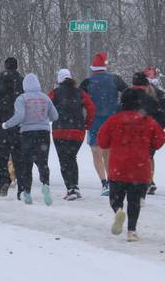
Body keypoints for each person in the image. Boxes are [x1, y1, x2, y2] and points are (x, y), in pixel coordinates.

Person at [98, 88, 165, 242]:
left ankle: (118, 210)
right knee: (134, 202)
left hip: (118, 168)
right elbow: (159, 140)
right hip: (140, 169)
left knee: (115, 198)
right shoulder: (148, 121)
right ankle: (131, 231)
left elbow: (102, 141)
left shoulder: (114, 120)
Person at [2, 73, 59, 205]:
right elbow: (55, 116)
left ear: (25, 85)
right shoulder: (45, 98)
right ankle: (45, 184)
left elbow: (20, 116)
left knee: (26, 164)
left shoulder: (22, 98)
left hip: (27, 134)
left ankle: (27, 192)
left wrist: (6, 124)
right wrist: (43, 118)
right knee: (43, 162)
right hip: (44, 133)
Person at [80, 52, 128, 196]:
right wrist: (119, 108)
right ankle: (112, 180)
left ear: (93, 68)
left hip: (94, 121)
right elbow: (127, 94)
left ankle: (104, 183)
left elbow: (79, 100)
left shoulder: (87, 82)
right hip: (112, 121)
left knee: (96, 151)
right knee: (109, 152)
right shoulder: (115, 79)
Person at [49, 69, 95, 201]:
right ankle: (74, 186)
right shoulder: (81, 92)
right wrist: (87, 124)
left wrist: (52, 118)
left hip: (60, 130)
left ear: (59, 80)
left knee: (64, 160)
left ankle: (71, 188)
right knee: (72, 157)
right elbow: (91, 108)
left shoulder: (55, 93)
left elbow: (45, 106)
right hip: (77, 131)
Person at [0, 57, 24, 197]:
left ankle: (4, 181)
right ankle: (21, 184)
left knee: (1, 155)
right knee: (18, 155)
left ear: (5, 66)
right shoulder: (22, 82)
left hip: (1, 124)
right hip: (18, 124)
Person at [130, 72, 165, 197]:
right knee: (149, 156)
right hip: (154, 130)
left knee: (143, 157)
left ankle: (147, 181)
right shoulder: (159, 96)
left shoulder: (141, 96)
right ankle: (149, 180)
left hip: (144, 130)